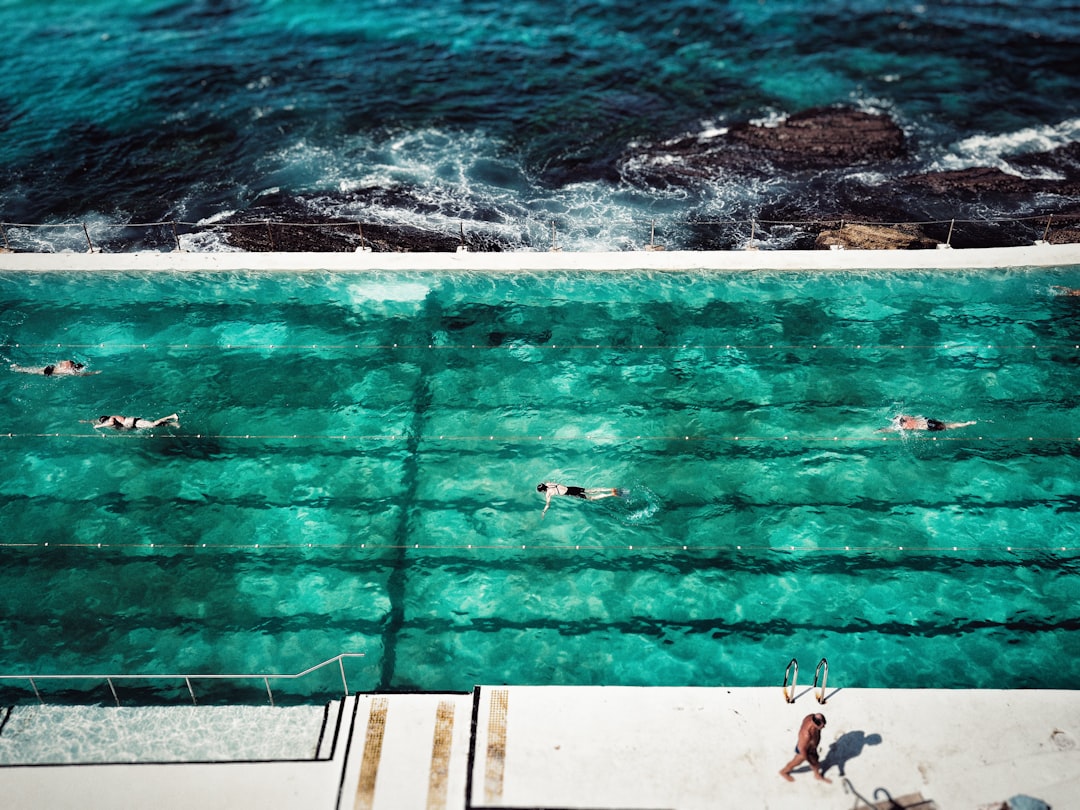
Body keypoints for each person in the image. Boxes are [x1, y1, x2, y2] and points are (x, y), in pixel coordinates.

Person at [779, 712, 831, 783]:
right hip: (804, 751)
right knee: (795, 763)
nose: (824, 726)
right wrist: (810, 762)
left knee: (816, 761)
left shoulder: (811, 717)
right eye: (822, 725)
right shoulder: (806, 735)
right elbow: (802, 749)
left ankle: (817, 775)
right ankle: (783, 772)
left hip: (812, 748)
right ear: (815, 724)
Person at [537, 482, 624, 518]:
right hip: (572, 488)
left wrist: (544, 512)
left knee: (591, 498)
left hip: (571, 493)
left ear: (543, 490)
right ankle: (611, 489)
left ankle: (612, 494)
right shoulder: (548, 483)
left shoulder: (548, 493)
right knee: (589, 490)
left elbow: (547, 504)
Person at [882, 414, 976, 432]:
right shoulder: (904, 417)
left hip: (928, 424)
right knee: (948, 425)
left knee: (948, 426)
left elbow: (892, 429)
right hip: (926, 420)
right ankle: (967, 423)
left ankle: (967, 424)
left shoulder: (903, 425)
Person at [93, 413, 179, 430]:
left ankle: (172, 416)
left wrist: (99, 426)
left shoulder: (112, 418)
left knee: (153, 424)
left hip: (135, 422)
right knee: (156, 425)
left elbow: (111, 423)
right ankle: (173, 424)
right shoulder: (111, 421)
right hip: (135, 425)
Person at [11, 359, 98, 376]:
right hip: (51, 372)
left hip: (51, 367)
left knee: (34, 369)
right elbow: (83, 374)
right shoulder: (71, 371)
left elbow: (60, 361)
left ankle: (18, 368)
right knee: (33, 372)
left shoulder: (69, 362)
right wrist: (94, 373)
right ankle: (18, 369)